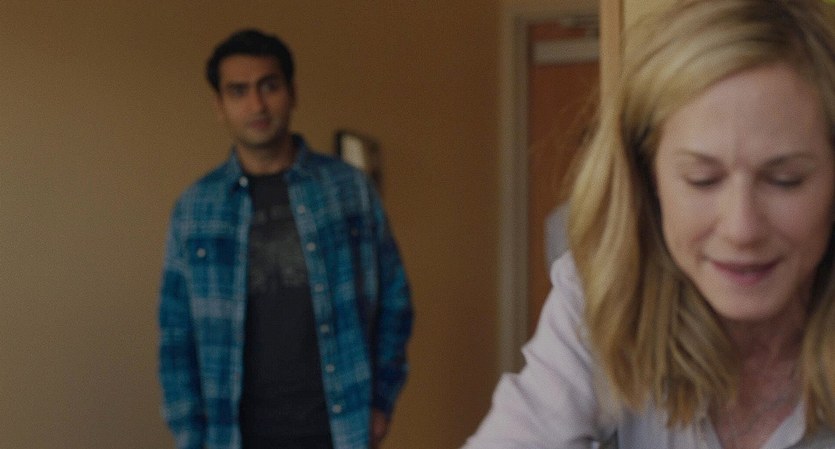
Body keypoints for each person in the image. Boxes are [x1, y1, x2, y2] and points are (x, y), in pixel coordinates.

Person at [464, 0, 835, 448]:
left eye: (785, 180)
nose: (742, 229)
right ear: (647, 180)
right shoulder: (606, 292)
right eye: (702, 180)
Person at [158, 29, 413, 449]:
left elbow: (395, 301)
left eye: (269, 86)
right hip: (234, 435)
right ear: (219, 106)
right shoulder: (195, 207)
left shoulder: (348, 189)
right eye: (238, 91)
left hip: (339, 429)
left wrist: (381, 401)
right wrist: (191, 435)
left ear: (292, 93)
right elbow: (175, 336)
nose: (257, 104)